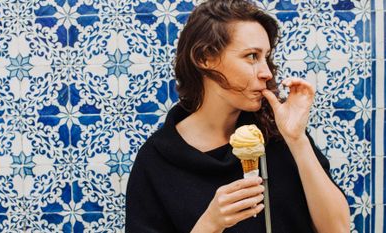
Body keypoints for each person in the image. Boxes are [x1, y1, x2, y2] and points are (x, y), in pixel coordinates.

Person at [125, 0, 350, 232]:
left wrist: (297, 139)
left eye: (266, 57)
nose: (266, 72)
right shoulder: (156, 160)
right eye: (252, 56)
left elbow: (338, 229)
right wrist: (209, 224)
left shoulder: (279, 134)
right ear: (205, 58)